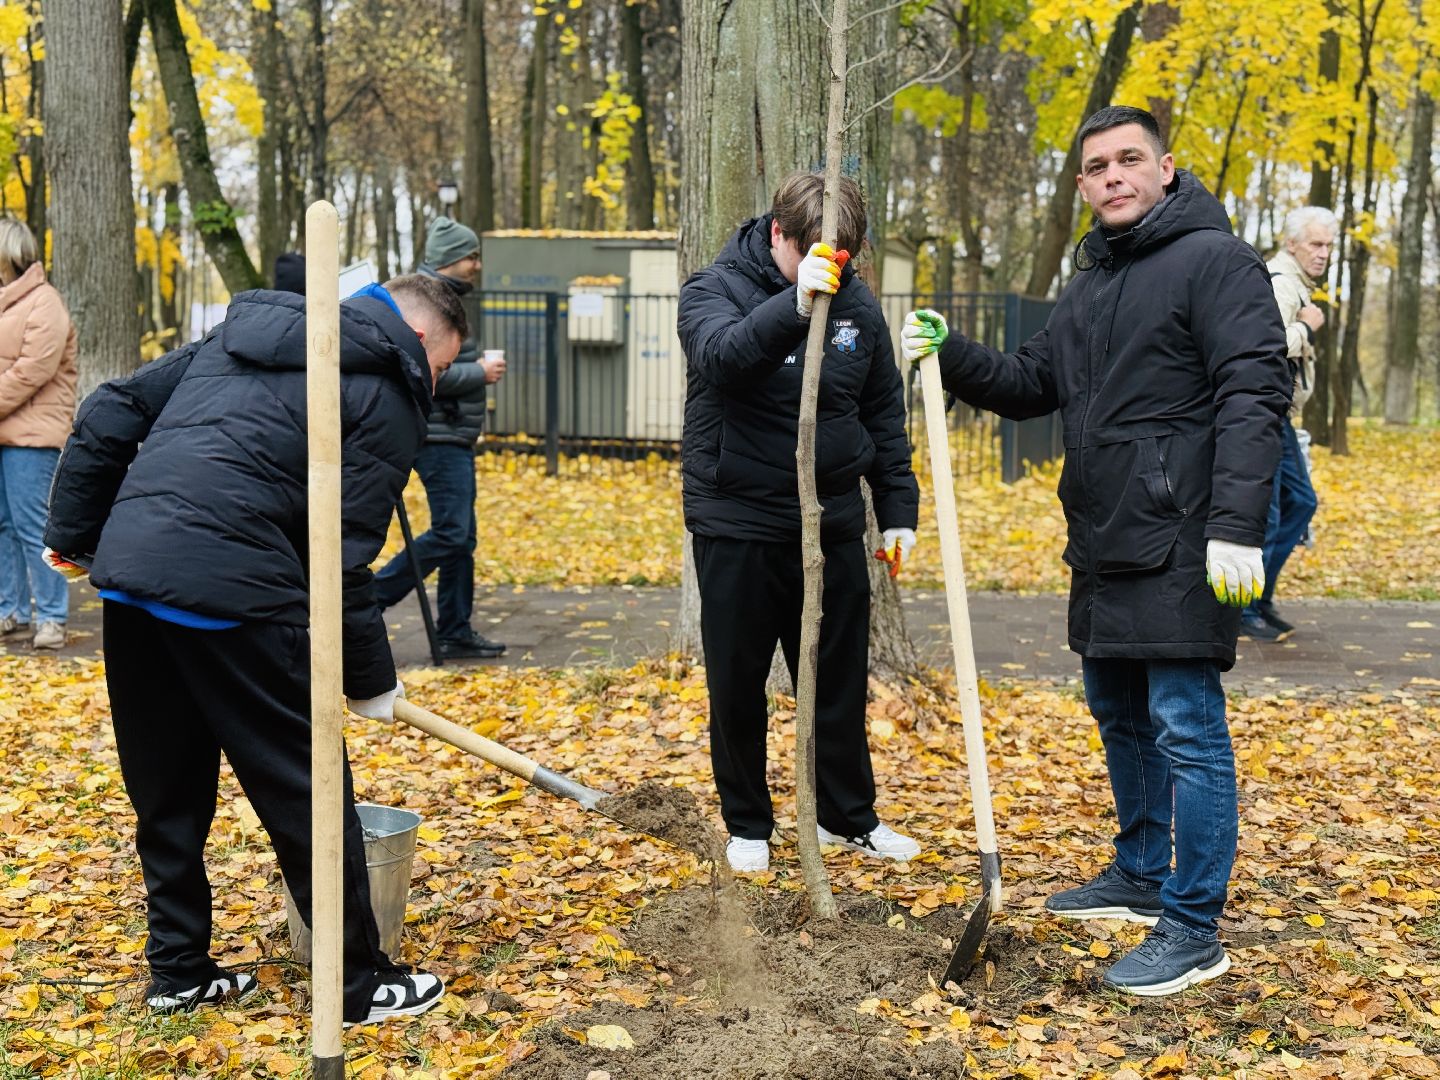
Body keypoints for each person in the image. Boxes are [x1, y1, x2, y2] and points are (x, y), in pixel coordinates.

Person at [902, 106, 1290, 996]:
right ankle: (1142, 873)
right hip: (1105, 539)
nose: (1112, 176)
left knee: (1188, 730)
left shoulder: (1216, 263)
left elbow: (1252, 393)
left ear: (1165, 169)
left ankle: (1192, 926)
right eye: (1096, 167)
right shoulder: (1089, 283)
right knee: (1118, 714)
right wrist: (953, 353)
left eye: (1129, 160)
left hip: (1186, 536)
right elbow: (1032, 382)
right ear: (1082, 185)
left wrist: (1237, 524)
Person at [43, 274, 465, 1024]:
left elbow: (112, 407)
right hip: (238, 593)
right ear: (422, 338)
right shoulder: (389, 390)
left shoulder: (238, 341)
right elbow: (340, 558)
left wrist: (75, 536)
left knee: (167, 790)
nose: (432, 382)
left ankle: (179, 971)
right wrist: (371, 683)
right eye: (438, 367)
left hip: (132, 581)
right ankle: (359, 985)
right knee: (309, 792)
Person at [678, 171, 921, 874]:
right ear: (779, 234)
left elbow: (882, 412)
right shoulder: (713, 289)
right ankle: (748, 823)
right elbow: (722, 359)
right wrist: (794, 302)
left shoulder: (858, 304)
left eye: (845, 258)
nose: (833, 270)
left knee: (837, 679)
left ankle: (849, 817)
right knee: (738, 678)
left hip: (833, 521)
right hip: (740, 521)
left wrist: (897, 511)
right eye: (816, 253)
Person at [372, 216, 507, 660]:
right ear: (452, 258)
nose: (476, 264)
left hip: (453, 433)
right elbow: (422, 368)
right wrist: (479, 373)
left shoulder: (445, 297)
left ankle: (455, 628)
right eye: (471, 256)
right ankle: (371, 599)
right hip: (439, 434)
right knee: (451, 533)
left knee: (462, 538)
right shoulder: (429, 301)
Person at [1240, 207, 1334, 641]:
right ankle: (1243, 609)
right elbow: (1266, 345)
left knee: (1300, 502)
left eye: (1328, 245)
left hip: (1280, 412)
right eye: (1315, 244)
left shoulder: (1297, 282)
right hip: (1264, 410)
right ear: (1291, 243)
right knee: (1272, 515)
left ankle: (1260, 599)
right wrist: (1304, 328)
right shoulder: (1279, 282)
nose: (1323, 253)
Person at [0, 217, 77, 651]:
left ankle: (51, 617)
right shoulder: (5, 302)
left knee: (34, 528)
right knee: (2, 526)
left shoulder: (44, 302)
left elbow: (33, 370)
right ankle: (10, 610)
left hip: (33, 436)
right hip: (4, 431)